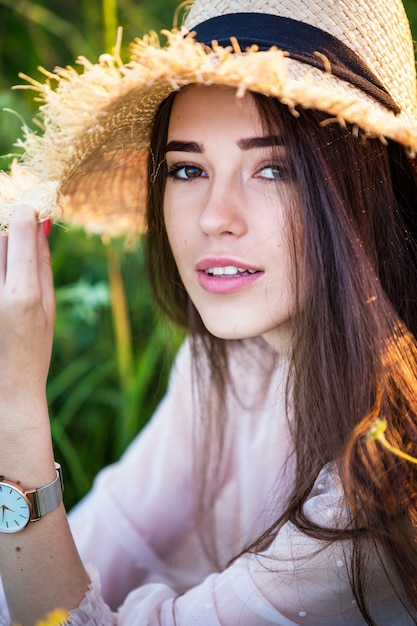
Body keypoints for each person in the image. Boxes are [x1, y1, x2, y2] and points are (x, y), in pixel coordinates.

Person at [0, 0, 416, 623]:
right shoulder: (229, 364)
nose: (215, 216)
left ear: (364, 189)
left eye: (274, 169)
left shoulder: (379, 489)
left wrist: (14, 402)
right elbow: (111, 529)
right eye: (188, 168)